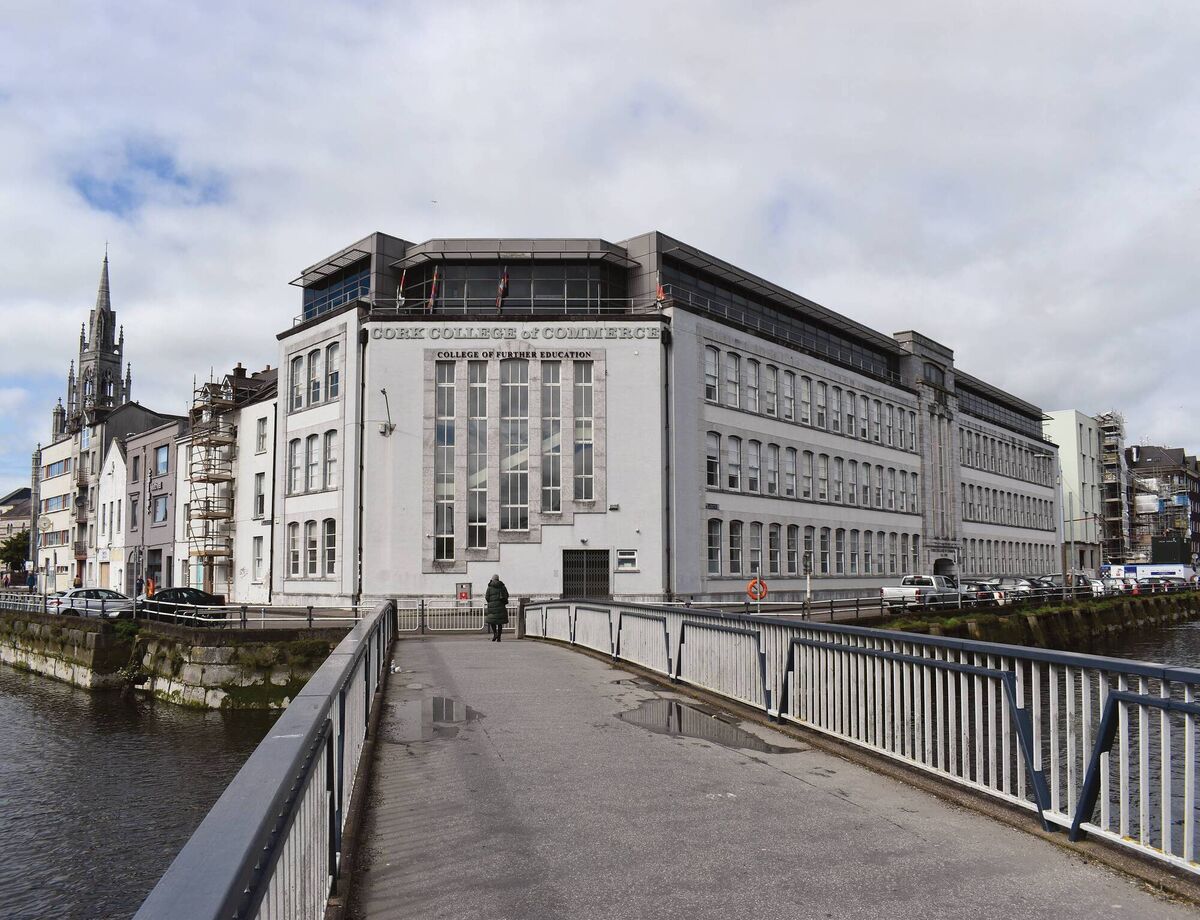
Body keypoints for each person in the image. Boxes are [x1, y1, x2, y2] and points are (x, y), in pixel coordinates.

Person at [485, 574, 509, 642]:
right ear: (498, 579)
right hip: (501, 606)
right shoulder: (502, 586)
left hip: (492, 607)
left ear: (492, 579)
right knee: (500, 622)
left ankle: (495, 633)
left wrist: (491, 602)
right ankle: (499, 637)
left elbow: (487, 597)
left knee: (492, 621)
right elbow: (507, 595)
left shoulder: (489, 587)